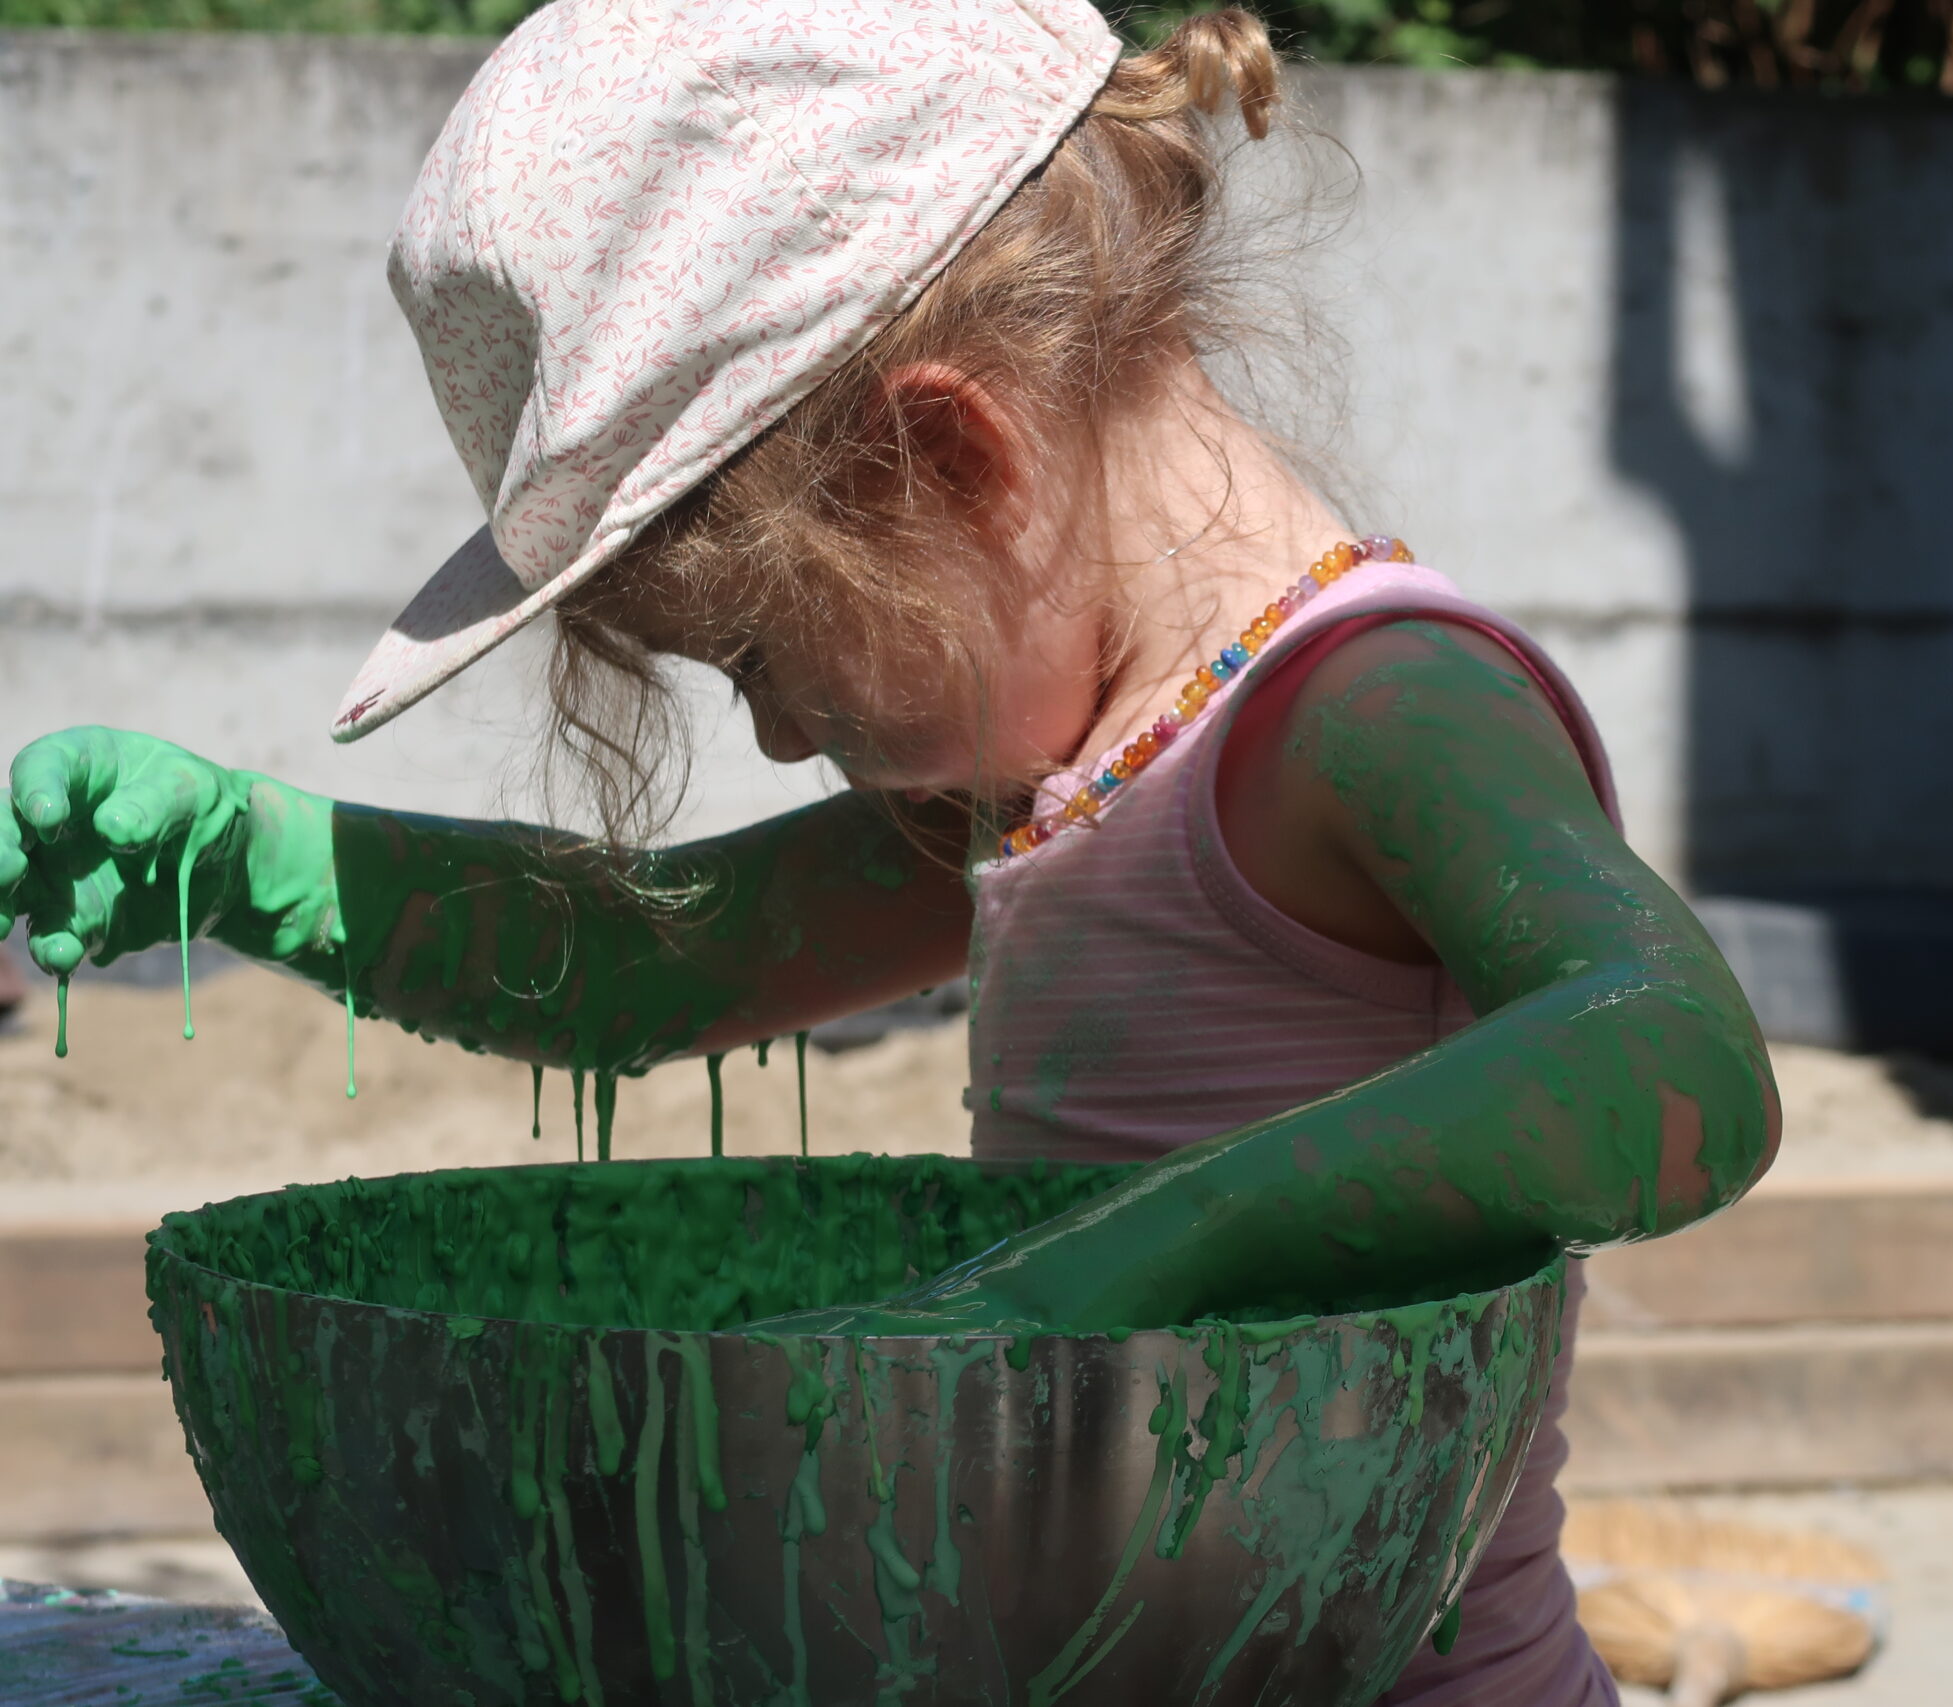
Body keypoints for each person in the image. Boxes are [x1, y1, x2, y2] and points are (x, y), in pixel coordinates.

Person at [0, 4, 1777, 1699]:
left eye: (765, 658)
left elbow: (1674, 1051)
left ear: (950, 456)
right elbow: (662, 957)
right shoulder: (1077, 766)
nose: (784, 736)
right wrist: (259, 856)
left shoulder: (1369, 707)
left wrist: (1102, 1277)